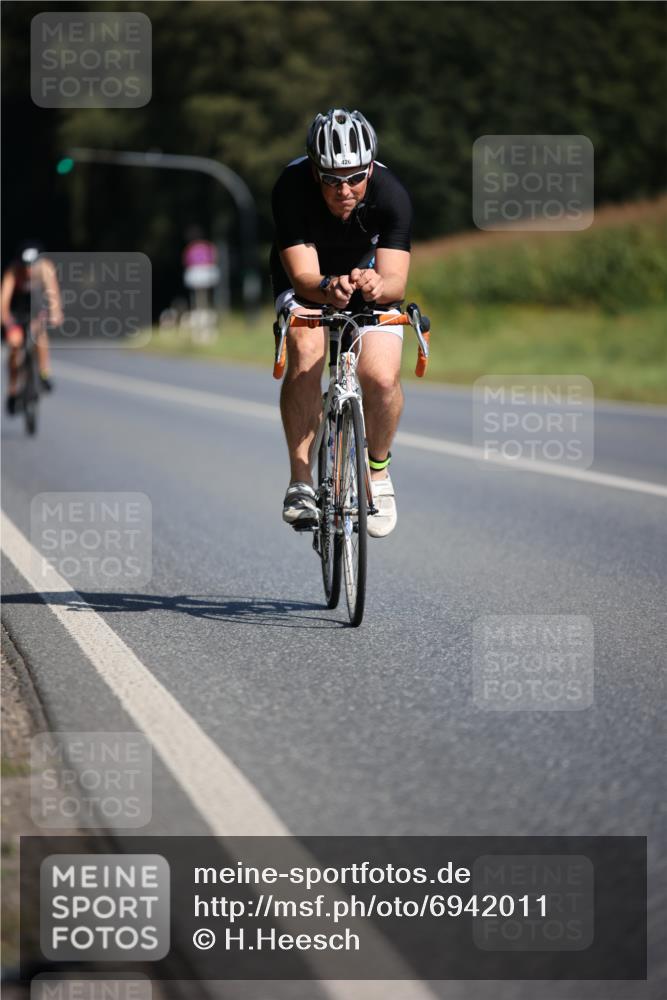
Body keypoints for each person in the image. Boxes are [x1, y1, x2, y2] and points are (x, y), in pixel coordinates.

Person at [270, 108, 412, 537]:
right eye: (331, 179)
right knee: (307, 355)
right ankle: (300, 480)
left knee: (382, 377)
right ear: (314, 172)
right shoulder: (292, 188)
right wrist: (329, 286)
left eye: (355, 177)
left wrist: (375, 282)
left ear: (370, 167)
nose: (344, 190)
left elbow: (396, 281)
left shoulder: (391, 194)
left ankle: (379, 473)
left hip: (367, 282)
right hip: (311, 281)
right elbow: (303, 277)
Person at [1, 240, 63, 414]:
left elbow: (53, 293)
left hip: (37, 310)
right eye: (25, 266)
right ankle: (13, 390)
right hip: (17, 311)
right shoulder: (13, 272)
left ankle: (44, 373)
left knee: (40, 335)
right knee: (14, 345)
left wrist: (56, 313)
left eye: (32, 266)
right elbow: (4, 301)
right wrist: (7, 321)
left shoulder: (45, 268)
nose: (28, 270)